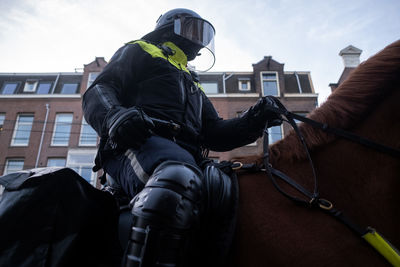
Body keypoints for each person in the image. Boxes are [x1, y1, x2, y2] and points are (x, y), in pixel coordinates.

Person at [82, 8, 282, 267]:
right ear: (169, 27)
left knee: (231, 187)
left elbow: (214, 133)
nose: (199, 39)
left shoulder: (192, 81)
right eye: (194, 30)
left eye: (204, 34)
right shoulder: (139, 49)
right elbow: (99, 90)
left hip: (185, 156)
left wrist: (256, 120)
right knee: (176, 177)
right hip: (136, 143)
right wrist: (115, 117)